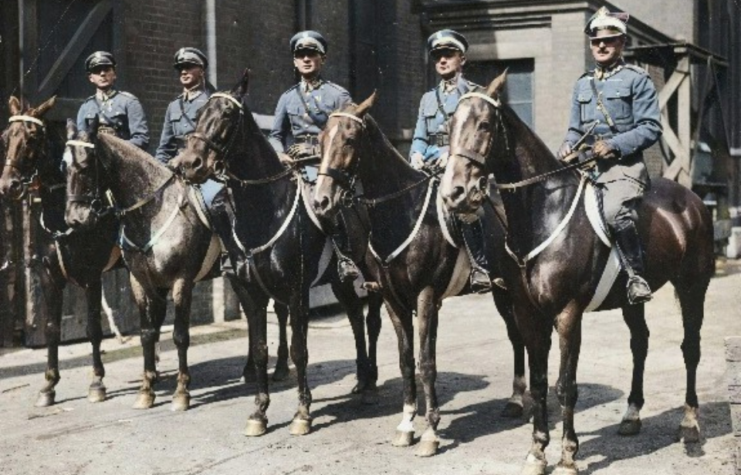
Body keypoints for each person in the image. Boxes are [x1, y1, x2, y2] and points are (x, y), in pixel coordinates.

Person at [557, 6, 662, 304]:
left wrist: (615, 144)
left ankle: (636, 276)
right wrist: (568, 144)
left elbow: (651, 128)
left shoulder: (637, 79)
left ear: (622, 43)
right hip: (586, 167)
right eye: (595, 40)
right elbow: (575, 130)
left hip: (623, 168)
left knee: (615, 211)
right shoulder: (582, 83)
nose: (601, 45)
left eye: (609, 39)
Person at [268, 30, 359, 282]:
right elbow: (276, 133)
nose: (306, 59)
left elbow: (346, 135)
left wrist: (317, 151)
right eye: (301, 55)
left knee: (326, 201)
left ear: (323, 59)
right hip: (293, 164)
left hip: (325, 164)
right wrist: (280, 153)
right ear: (294, 62)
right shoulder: (287, 98)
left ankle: (344, 257)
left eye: (312, 54)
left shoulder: (337, 96)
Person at [411, 29, 495, 293]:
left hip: (461, 166)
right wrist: (415, 153)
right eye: (438, 56)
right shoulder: (427, 99)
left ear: (462, 59)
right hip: (428, 167)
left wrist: (450, 153)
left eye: (448, 55)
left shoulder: (474, 94)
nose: (442, 61)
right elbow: (420, 136)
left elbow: (475, 136)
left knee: (466, 210)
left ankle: (480, 267)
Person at [77, 51, 149, 150]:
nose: (102, 74)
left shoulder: (129, 102)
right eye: (97, 70)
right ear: (91, 78)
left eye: (106, 69)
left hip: (122, 159)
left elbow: (141, 139)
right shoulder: (86, 107)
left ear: (114, 74)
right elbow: (81, 142)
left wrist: (112, 149)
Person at [155, 47, 214, 163]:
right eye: (180, 68)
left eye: (189, 67)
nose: (183, 72)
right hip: (177, 167)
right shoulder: (174, 106)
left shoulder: (211, 102)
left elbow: (212, 145)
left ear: (201, 71)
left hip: (202, 167)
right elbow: (165, 148)